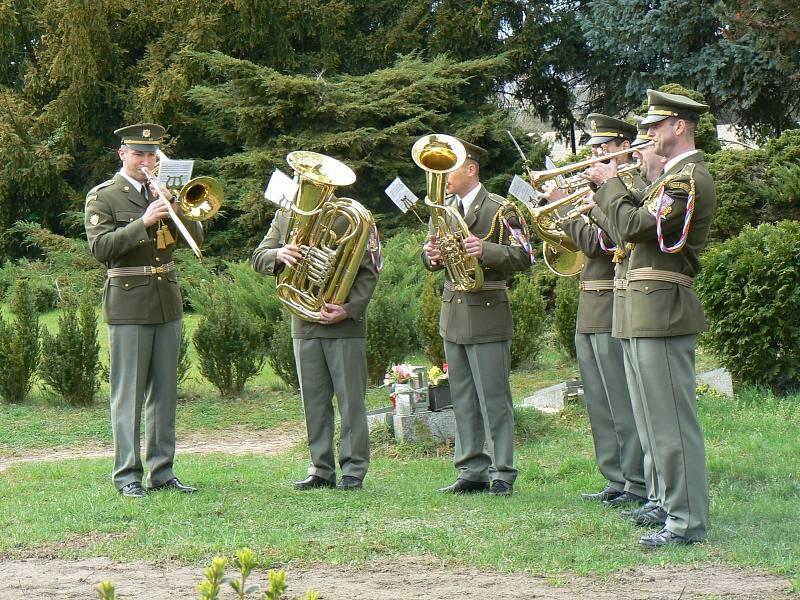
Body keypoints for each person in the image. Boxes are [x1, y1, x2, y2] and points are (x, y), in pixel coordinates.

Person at [583, 89, 716, 547]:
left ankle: (686, 522)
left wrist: (612, 183)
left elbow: (640, 228)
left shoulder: (686, 179)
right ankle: (668, 505)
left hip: (661, 308)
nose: (647, 135)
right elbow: (629, 228)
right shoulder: (667, 180)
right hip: (645, 308)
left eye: (656, 126)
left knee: (672, 423)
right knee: (654, 421)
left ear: (680, 126)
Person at [85, 123, 203, 498]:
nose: (146, 161)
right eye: (139, 154)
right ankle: (127, 476)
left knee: (164, 393)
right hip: (128, 302)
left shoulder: (164, 193)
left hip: (165, 300)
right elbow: (100, 249)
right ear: (122, 154)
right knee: (128, 395)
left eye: (152, 155)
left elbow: (196, 239)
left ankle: (163, 472)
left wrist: (175, 206)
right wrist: (144, 222)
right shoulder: (104, 196)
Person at [547, 114, 647, 508]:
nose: (594, 157)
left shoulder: (630, 189)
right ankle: (614, 476)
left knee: (620, 401)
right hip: (590, 301)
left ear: (623, 147)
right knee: (599, 402)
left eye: (602, 150)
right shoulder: (600, 189)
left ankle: (636, 478)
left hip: (613, 299)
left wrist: (568, 212)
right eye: (592, 150)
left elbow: (601, 245)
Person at [252, 181, 379, 492]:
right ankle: (320, 468)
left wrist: (349, 309)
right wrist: (280, 254)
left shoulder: (353, 217)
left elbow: (370, 271)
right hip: (304, 320)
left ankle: (353, 469)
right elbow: (259, 256)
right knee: (313, 400)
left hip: (343, 323)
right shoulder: (286, 216)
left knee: (351, 400)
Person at [422, 138, 532, 497]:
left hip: (487, 309)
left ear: (471, 169)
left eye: (449, 167)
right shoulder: (442, 210)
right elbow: (433, 259)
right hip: (453, 309)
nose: (442, 176)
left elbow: (525, 257)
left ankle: (503, 471)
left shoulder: (502, 209)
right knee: (463, 396)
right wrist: (432, 255)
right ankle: (471, 468)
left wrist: (487, 249)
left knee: (494, 397)